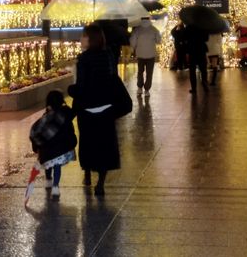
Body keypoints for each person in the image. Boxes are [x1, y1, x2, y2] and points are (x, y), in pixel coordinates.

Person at [68, 25, 129, 197]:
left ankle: (87, 173)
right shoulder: (109, 55)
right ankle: (100, 183)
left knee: (88, 143)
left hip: (88, 109)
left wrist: (71, 90)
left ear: (90, 39)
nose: (80, 39)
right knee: (104, 146)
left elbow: (82, 87)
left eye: (83, 36)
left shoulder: (84, 59)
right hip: (107, 108)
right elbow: (111, 80)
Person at [29, 90, 77, 201]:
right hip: (60, 148)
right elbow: (70, 129)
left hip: (47, 149)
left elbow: (37, 131)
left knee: (48, 164)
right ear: (61, 101)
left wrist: (37, 146)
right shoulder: (65, 113)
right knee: (57, 166)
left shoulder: (46, 116)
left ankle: (48, 181)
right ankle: (55, 187)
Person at [130, 17, 161, 96]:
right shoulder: (154, 29)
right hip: (151, 54)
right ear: (149, 19)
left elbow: (133, 42)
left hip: (140, 54)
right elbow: (158, 41)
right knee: (149, 73)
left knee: (140, 72)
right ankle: (147, 90)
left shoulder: (137, 30)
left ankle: (139, 88)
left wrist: (133, 48)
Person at [185, 24, 209, 95]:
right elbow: (206, 38)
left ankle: (194, 88)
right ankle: (204, 82)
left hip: (192, 49)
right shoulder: (203, 26)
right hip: (201, 49)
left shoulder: (189, 26)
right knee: (203, 68)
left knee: (192, 70)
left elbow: (184, 37)